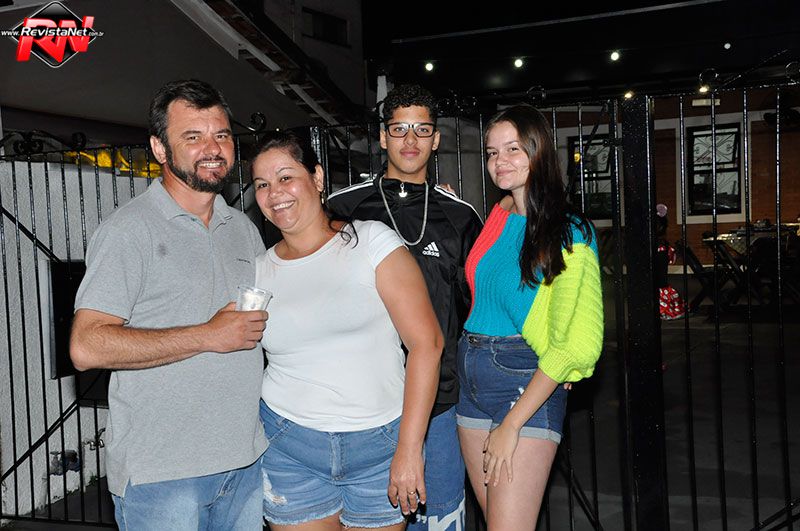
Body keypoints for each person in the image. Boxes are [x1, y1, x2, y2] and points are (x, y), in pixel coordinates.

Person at [69, 79, 268, 529]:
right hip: (162, 475)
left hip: (245, 464)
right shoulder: (129, 230)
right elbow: (86, 346)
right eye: (193, 137)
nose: (212, 148)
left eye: (221, 135)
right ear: (160, 148)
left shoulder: (243, 228)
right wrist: (206, 336)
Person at [251, 130, 443, 530]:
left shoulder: (371, 242)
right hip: (289, 448)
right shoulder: (257, 270)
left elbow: (427, 344)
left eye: (286, 177)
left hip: (381, 447)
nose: (275, 193)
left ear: (317, 178)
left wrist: (410, 449)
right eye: (262, 184)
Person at [328, 84, 483, 530]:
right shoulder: (342, 208)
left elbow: (478, 307)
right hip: (363, 403)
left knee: (441, 520)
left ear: (436, 139)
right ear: (383, 137)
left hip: (439, 404)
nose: (410, 140)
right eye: (399, 129)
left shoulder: (460, 217)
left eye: (422, 130)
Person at [457, 105, 604, 528]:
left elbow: (577, 344)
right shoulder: (500, 214)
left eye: (513, 149)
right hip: (470, 373)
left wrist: (512, 424)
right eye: (491, 152)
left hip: (523, 378)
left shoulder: (571, 232)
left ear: (538, 151)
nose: (499, 161)